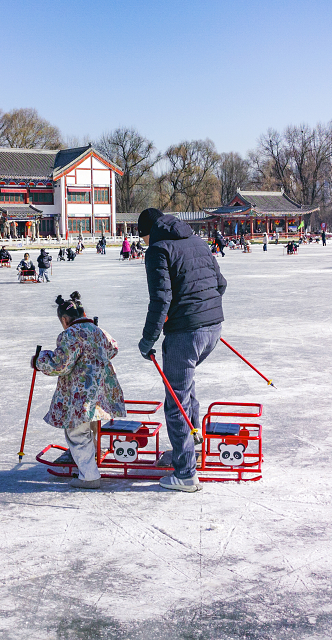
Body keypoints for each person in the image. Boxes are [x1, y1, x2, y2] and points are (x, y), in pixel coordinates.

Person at [136, 208, 227, 493]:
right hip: (213, 328)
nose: (144, 243)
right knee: (184, 388)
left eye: (143, 238)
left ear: (149, 232)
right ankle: (193, 441)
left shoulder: (158, 250)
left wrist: (147, 339)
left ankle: (186, 473)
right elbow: (221, 284)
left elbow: (161, 299)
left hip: (186, 334)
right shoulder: (198, 241)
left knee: (175, 401)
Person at [32, 292, 125, 490]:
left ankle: (89, 475)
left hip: (80, 393)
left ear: (65, 320)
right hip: (101, 390)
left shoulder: (70, 334)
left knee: (76, 431)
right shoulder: (98, 330)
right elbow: (113, 348)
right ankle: (89, 465)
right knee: (90, 427)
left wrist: (40, 360)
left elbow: (60, 365)